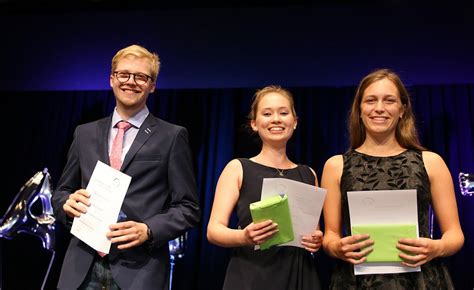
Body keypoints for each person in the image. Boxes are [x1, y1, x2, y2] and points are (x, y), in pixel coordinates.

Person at [52, 44, 200, 290]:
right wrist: (67, 205)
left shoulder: (172, 136)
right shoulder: (84, 133)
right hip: (82, 268)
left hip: (140, 271)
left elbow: (188, 208)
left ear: (152, 85)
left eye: (141, 76)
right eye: (124, 74)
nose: (131, 82)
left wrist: (149, 230)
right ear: (112, 79)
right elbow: (61, 193)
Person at [321, 68, 464, 289]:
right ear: (359, 109)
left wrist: (437, 248)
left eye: (389, 100)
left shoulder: (431, 162)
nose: (379, 108)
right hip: (357, 281)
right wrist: (337, 247)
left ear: (402, 110)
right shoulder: (335, 166)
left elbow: (454, 234)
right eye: (370, 100)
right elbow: (330, 235)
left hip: (420, 280)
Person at [207, 85, 323, 290]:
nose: (276, 119)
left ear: (294, 122)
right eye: (267, 113)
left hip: (299, 275)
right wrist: (243, 236)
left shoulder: (309, 174)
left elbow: (313, 232)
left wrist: (316, 240)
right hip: (251, 275)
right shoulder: (238, 168)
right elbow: (214, 230)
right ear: (254, 123)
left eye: (284, 113)